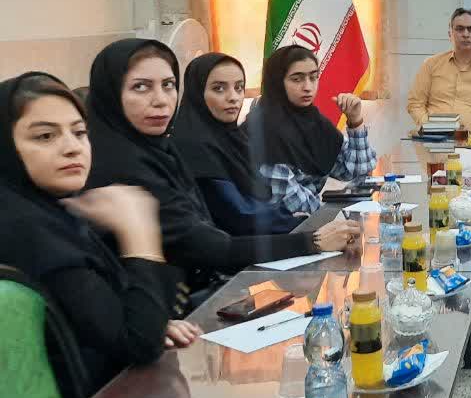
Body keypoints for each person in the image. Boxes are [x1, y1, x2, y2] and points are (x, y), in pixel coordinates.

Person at [84, 39, 359, 297]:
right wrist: (311, 241)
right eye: (141, 87)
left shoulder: (163, 152)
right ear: (111, 93)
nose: (161, 99)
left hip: (199, 291)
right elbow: (213, 244)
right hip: (169, 306)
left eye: (168, 85)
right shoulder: (126, 166)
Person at [0, 72, 199, 398]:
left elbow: (128, 321)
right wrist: (138, 234)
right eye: (45, 136)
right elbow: (138, 344)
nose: (72, 148)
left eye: (79, 132)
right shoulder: (25, 228)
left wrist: (151, 322)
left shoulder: (56, 211)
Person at [172, 53, 303, 235]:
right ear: (198, 93)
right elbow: (239, 215)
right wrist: (293, 221)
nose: (233, 97)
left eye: (239, 87)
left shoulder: (233, 138)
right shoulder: (193, 146)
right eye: (219, 88)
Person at [244, 45, 377, 215]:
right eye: (297, 79)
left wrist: (355, 120)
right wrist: (335, 220)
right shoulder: (263, 130)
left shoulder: (314, 122)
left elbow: (357, 170)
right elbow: (294, 205)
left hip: (312, 222)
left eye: (313, 77)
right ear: (277, 82)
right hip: (284, 227)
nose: (308, 87)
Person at [407, 8, 471, 128]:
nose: (466, 34)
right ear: (450, 34)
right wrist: (430, 127)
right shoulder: (430, 64)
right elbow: (415, 103)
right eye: (460, 29)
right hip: (434, 136)